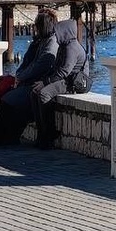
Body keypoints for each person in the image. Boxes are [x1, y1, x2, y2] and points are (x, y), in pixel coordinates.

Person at [0, 12, 61, 150]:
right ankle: (9, 137)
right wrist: (19, 75)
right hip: (29, 83)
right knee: (11, 102)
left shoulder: (51, 43)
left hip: (35, 84)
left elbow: (41, 65)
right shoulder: (42, 41)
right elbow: (29, 63)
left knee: (7, 101)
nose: (35, 28)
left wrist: (21, 77)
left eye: (37, 25)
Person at [31, 12, 90, 150]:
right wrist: (44, 81)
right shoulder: (65, 46)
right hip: (65, 80)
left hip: (72, 83)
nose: (55, 36)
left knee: (44, 94)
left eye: (57, 33)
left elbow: (64, 72)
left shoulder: (72, 48)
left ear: (64, 33)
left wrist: (45, 83)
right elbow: (57, 69)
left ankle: (50, 133)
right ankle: (41, 133)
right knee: (34, 93)